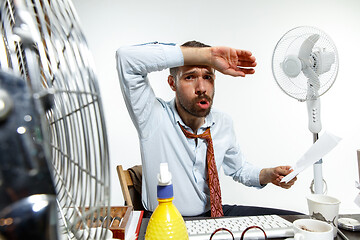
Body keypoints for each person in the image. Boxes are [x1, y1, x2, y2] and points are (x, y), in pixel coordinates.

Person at [116, 41, 299, 217]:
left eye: (208, 77)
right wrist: (208, 56)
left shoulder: (223, 122)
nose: (202, 88)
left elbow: (239, 169)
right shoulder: (153, 117)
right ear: (172, 83)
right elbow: (126, 58)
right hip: (167, 222)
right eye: (190, 77)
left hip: (213, 215)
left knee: (294, 222)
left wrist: (267, 175)